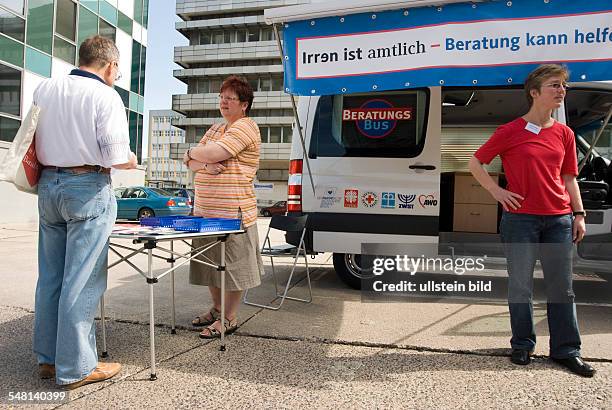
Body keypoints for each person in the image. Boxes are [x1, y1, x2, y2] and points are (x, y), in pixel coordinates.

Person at [469, 64, 594, 377]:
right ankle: (522, 344)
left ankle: (566, 350)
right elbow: (475, 162)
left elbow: (568, 177)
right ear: (534, 93)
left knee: (562, 289)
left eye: (563, 86)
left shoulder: (565, 134)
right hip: (520, 221)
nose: (561, 91)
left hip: (558, 220)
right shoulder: (509, 132)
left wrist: (578, 214)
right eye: (554, 85)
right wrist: (497, 192)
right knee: (521, 287)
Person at [33, 35, 138, 389]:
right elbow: (115, 156)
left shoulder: (45, 88)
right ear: (109, 66)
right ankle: (76, 366)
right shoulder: (106, 95)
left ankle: (48, 359)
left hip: (48, 185)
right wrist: (133, 160)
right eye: (118, 70)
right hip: (86, 186)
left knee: (51, 277)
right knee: (82, 278)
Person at [183, 75, 264, 338]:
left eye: (230, 98)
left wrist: (197, 154)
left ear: (244, 104)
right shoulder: (216, 129)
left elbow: (214, 153)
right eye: (221, 98)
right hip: (205, 210)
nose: (224, 102)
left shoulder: (246, 126)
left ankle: (229, 318)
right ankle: (217, 309)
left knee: (232, 267)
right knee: (209, 264)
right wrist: (201, 161)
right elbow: (190, 161)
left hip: (233, 212)